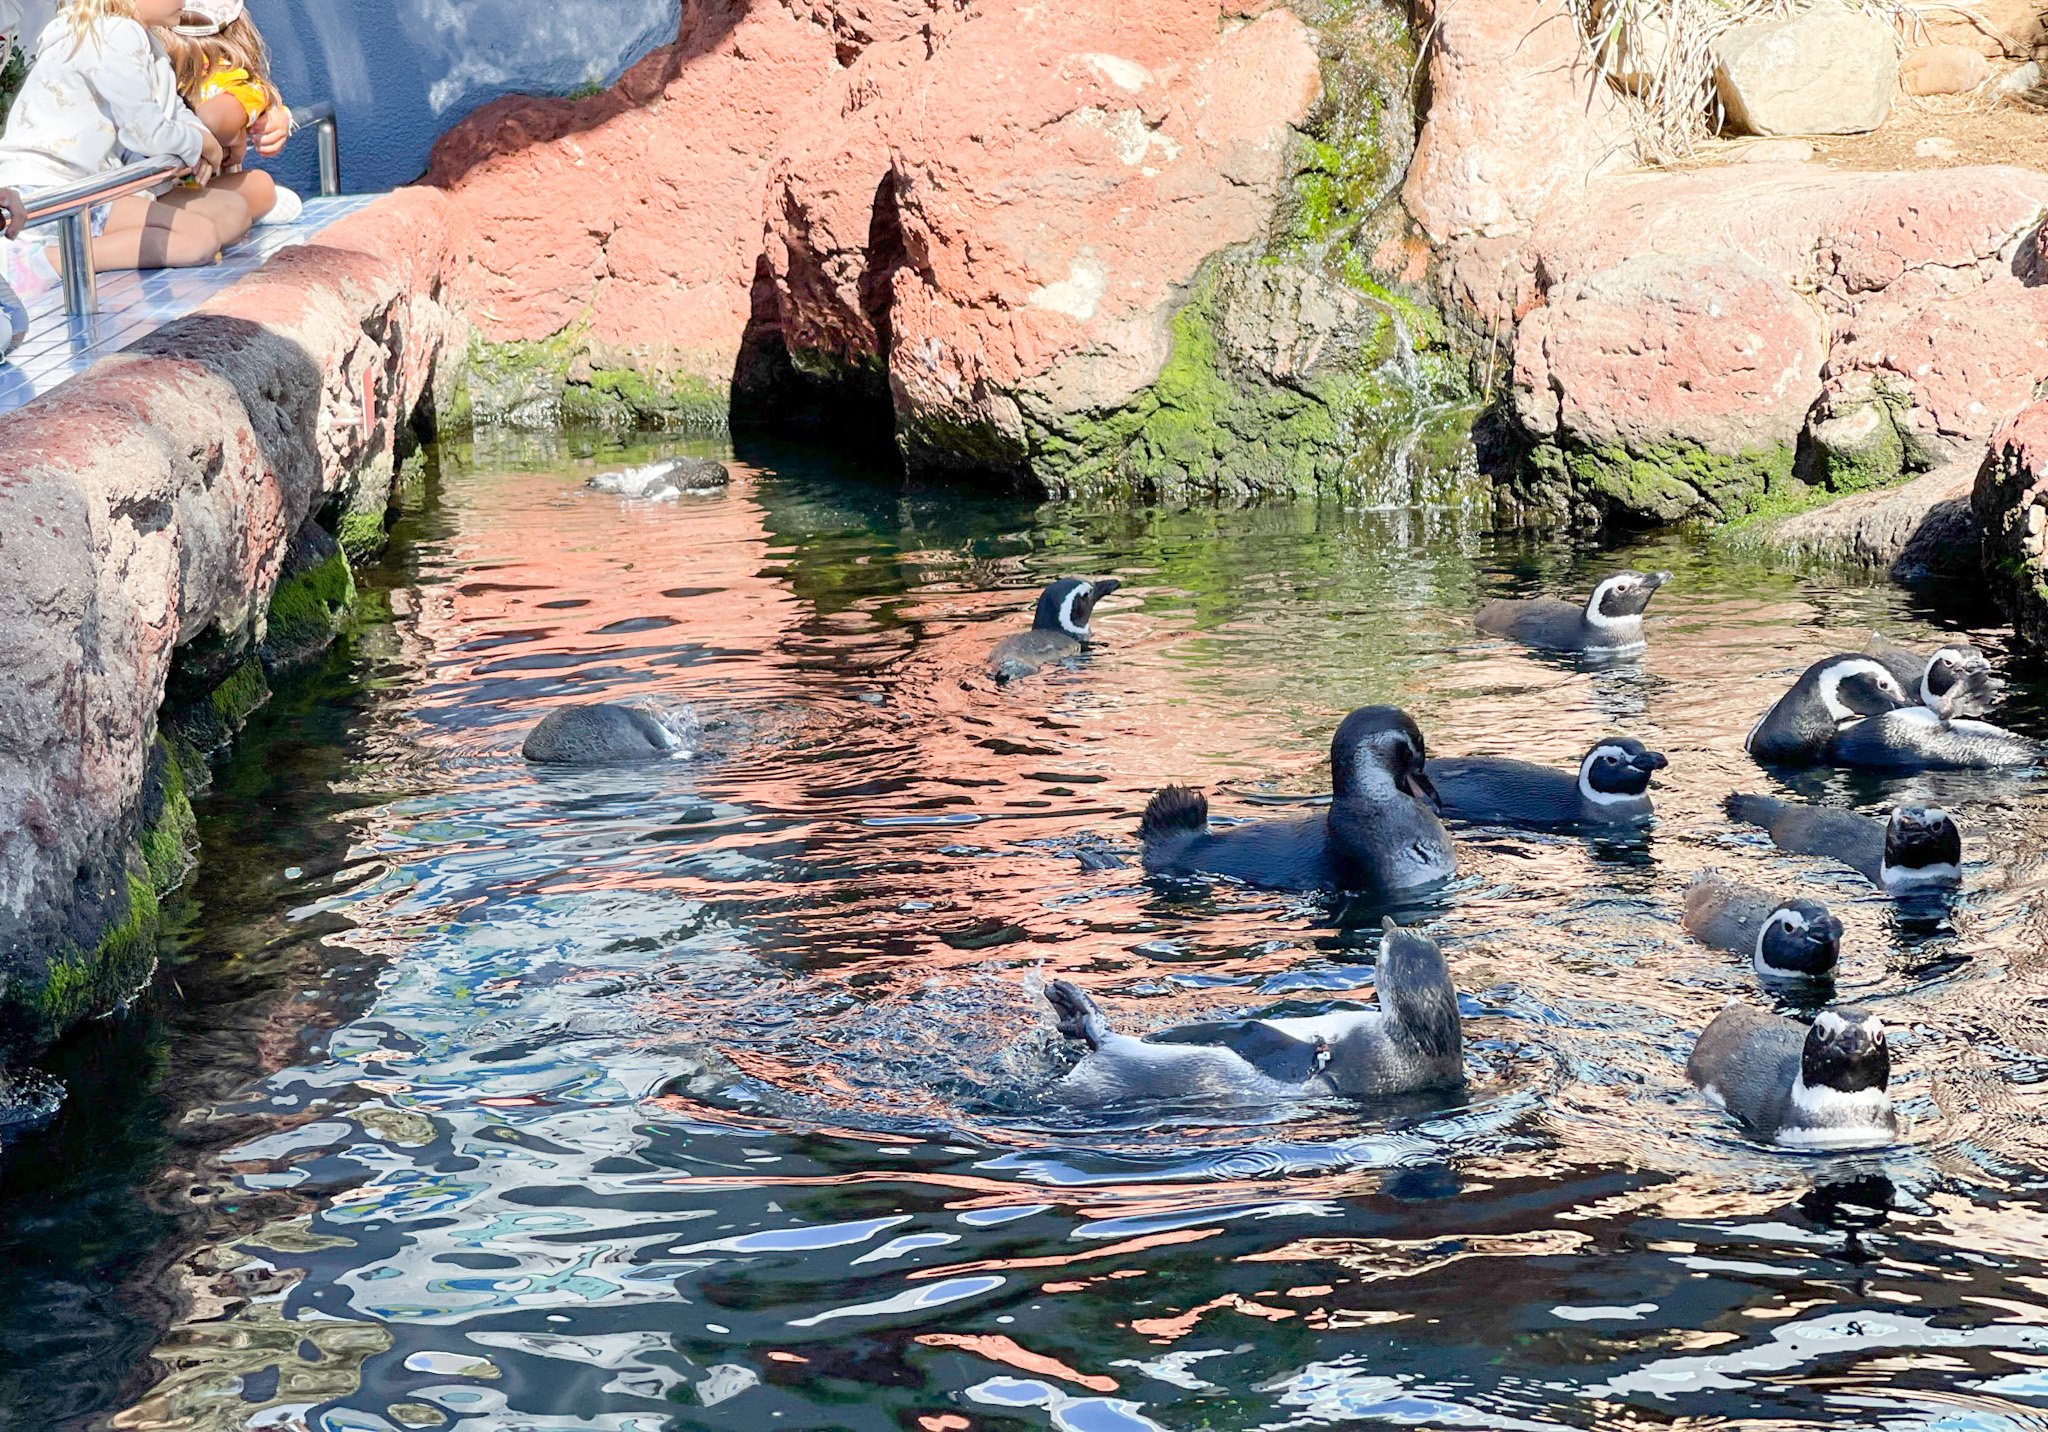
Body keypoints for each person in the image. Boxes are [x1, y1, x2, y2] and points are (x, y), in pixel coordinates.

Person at [0, 0, 246, 272]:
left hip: (96, 186)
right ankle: (40, 264)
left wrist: (199, 135)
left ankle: (89, 248)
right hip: (50, 190)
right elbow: (145, 132)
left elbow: (171, 108)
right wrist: (201, 144)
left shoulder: (146, 40)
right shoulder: (113, 32)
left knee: (231, 214)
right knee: (198, 239)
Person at [163, 0, 297, 224]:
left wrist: (276, 115)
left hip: (132, 192)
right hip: (169, 197)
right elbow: (211, 121)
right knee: (262, 187)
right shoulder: (226, 75)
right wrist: (237, 131)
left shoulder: (143, 58)